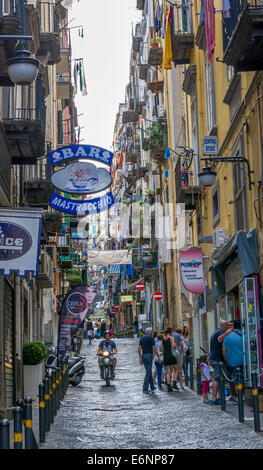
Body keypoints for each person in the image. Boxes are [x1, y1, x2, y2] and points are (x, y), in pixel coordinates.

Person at [209, 320, 233, 405]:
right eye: (228, 326)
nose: (229, 327)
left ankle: (219, 397)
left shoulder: (216, 331)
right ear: (225, 326)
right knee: (216, 378)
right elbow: (219, 339)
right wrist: (228, 332)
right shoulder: (220, 332)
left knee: (219, 378)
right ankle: (214, 399)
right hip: (217, 359)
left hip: (214, 358)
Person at [222, 319, 244, 400]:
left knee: (235, 381)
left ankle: (239, 398)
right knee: (242, 380)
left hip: (232, 363)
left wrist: (226, 360)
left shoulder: (228, 337)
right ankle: (243, 396)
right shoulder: (244, 335)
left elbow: (224, 350)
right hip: (243, 362)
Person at [138, 327, 160, 395]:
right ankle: (145, 388)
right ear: (150, 333)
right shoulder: (151, 338)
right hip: (149, 356)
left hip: (143, 355)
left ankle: (152, 387)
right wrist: (158, 356)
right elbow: (154, 348)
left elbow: (139, 349)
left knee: (149, 371)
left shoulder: (142, 338)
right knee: (148, 372)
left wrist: (140, 358)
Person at [161, 327, 178, 392]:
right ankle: (174, 382)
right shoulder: (171, 338)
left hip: (166, 356)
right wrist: (175, 344)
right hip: (171, 355)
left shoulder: (163, 339)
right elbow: (174, 346)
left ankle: (169, 386)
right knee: (176, 369)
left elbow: (162, 349)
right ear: (171, 332)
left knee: (168, 372)